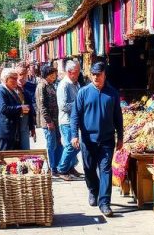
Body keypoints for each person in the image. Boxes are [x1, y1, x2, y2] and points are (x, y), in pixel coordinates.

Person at [70, 62, 123, 218]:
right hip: (88, 139)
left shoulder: (112, 93)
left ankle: (105, 202)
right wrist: (74, 134)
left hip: (107, 139)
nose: (95, 77)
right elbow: (75, 115)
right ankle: (93, 190)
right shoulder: (83, 92)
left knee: (106, 169)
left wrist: (120, 136)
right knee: (89, 169)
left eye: (98, 74)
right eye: (93, 74)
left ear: (104, 74)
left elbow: (118, 117)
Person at [56, 61, 83, 180]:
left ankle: (70, 166)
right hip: (66, 121)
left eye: (78, 72)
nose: (78, 74)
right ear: (69, 72)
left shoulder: (76, 83)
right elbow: (63, 106)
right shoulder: (64, 85)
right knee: (70, 146)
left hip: (75, 120)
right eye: (76, 72)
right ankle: (62, 169)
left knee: (78, 146)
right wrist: (79, 105)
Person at [34, 64, 62, 178]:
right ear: (47, 75)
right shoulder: (42, 86)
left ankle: (56, 166)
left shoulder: (51, 85)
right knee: (51, 145)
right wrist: (49, 121)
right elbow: (42, 106)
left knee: (57, 144)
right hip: (48, 122)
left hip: (55, 120)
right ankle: (52, 167)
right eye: (52, 74)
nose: (55, 76)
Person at [0, 68, 28, 151]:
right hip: (6, 131)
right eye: (14, 78)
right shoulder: (0, 91)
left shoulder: (11, 90)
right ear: (6, 79)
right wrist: (20, 108)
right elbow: (4, 108)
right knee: (5, 157)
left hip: (14, 130)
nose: (16, 80)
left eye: (16, 78)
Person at [16, 65, 36, 149]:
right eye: (19, 74)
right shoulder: (11, 88)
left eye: (24, 74)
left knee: (25, 149)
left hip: (26, 123)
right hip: (14, 125)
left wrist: (32, 127)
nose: (21, 77)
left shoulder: (31, 87)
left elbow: (32, 107)